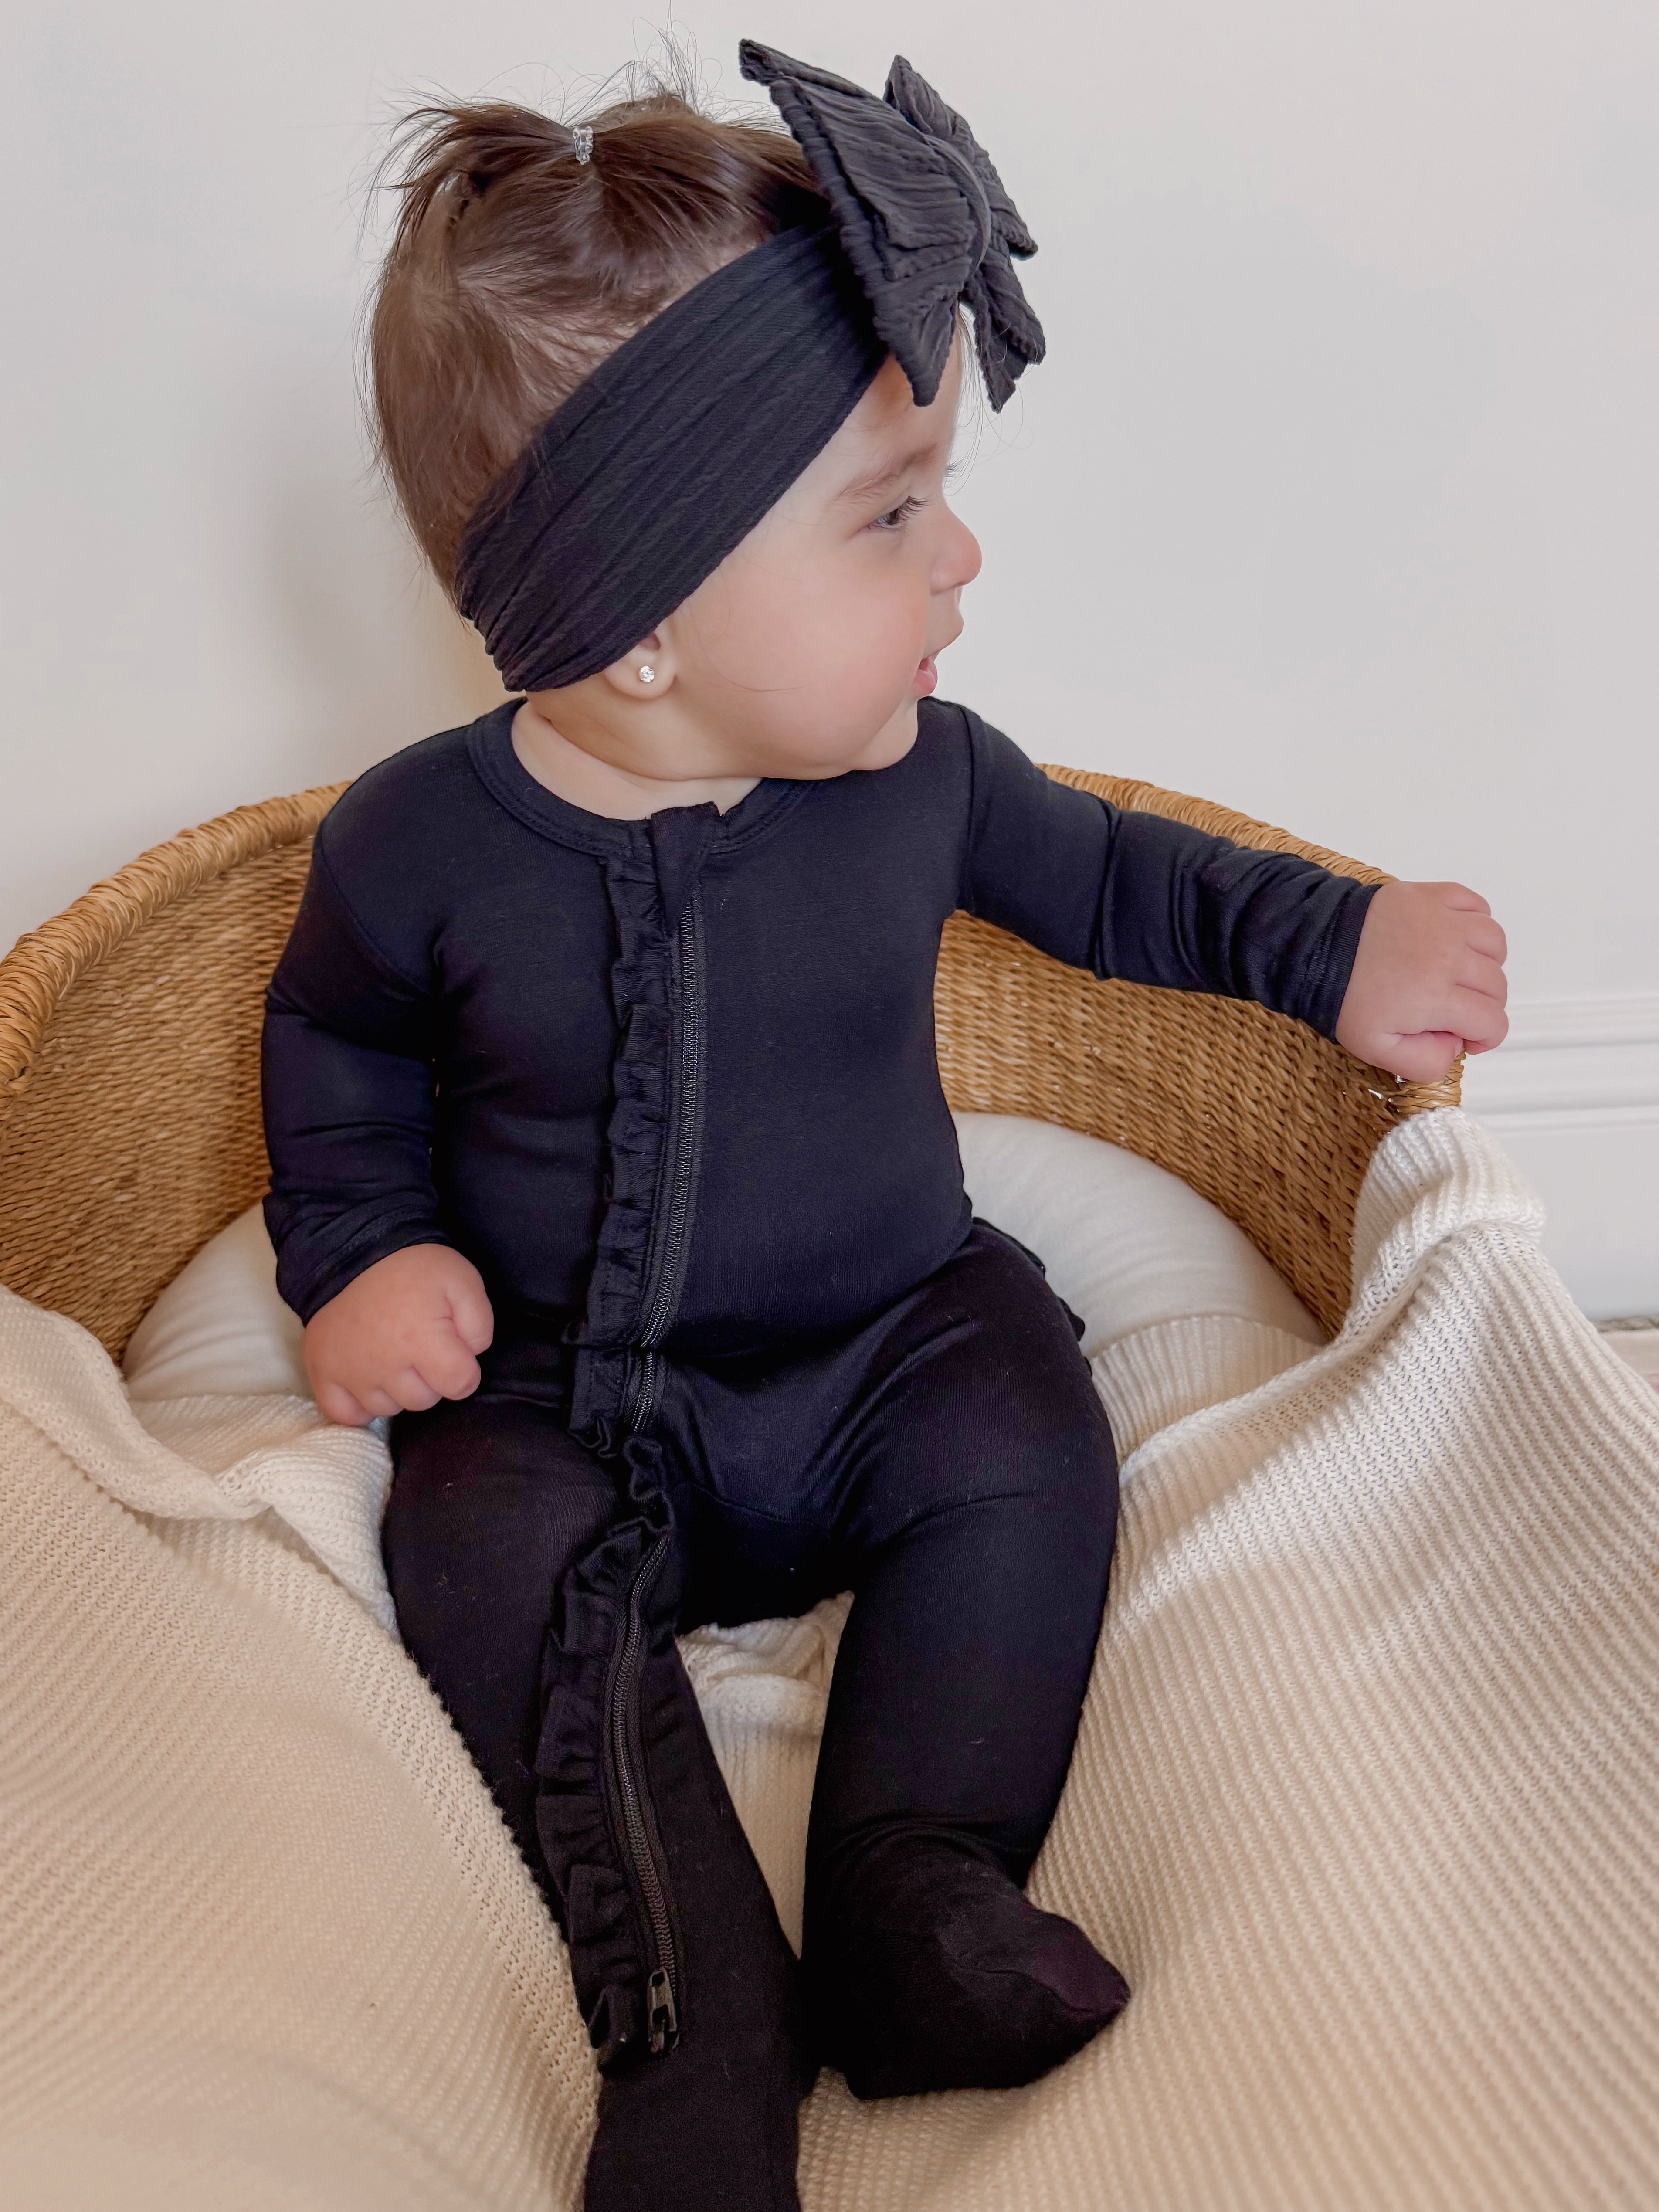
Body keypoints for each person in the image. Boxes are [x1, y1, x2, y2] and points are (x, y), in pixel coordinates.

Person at [261, 40, 1509, 2212]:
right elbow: (337, 1054)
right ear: (640, 623)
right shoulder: (414, 852)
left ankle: (916, 1892)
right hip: (564, 1401)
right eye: (891, 513)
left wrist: (1343, 944)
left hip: (882, 1348)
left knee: (1026, 1427)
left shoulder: (928, 777)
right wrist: (361, 1254)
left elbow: (1139, 880)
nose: (965, 557)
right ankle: (690, 2015)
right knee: (474, 1544)